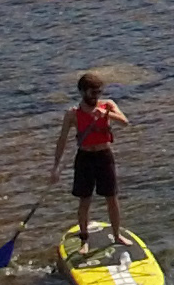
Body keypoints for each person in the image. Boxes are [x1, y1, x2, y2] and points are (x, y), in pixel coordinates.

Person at [54, 73, 129, 250]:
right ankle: (84, 240)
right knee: (84, 200)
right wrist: (55, 168)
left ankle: (117, 235)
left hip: (104, 156)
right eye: (92, 93)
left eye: (98, 92)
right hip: (85, 158)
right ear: (82, 92)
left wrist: (106, 114)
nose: (95, 96)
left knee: (112, 197)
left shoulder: (108, 105)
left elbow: (125, 122)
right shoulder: (72, 114)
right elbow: (62, 140)